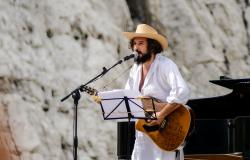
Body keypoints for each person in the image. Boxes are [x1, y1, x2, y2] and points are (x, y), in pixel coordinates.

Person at [123, 24, 190, 160]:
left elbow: (182, 92)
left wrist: (161, 114)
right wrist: (104, 99)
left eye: (141, 43)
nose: (136, 48)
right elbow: (127, 97)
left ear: (152, 46)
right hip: (143, 135)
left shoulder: (166, 65)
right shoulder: (135, 70)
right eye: (134, 44)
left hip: (164, 133)